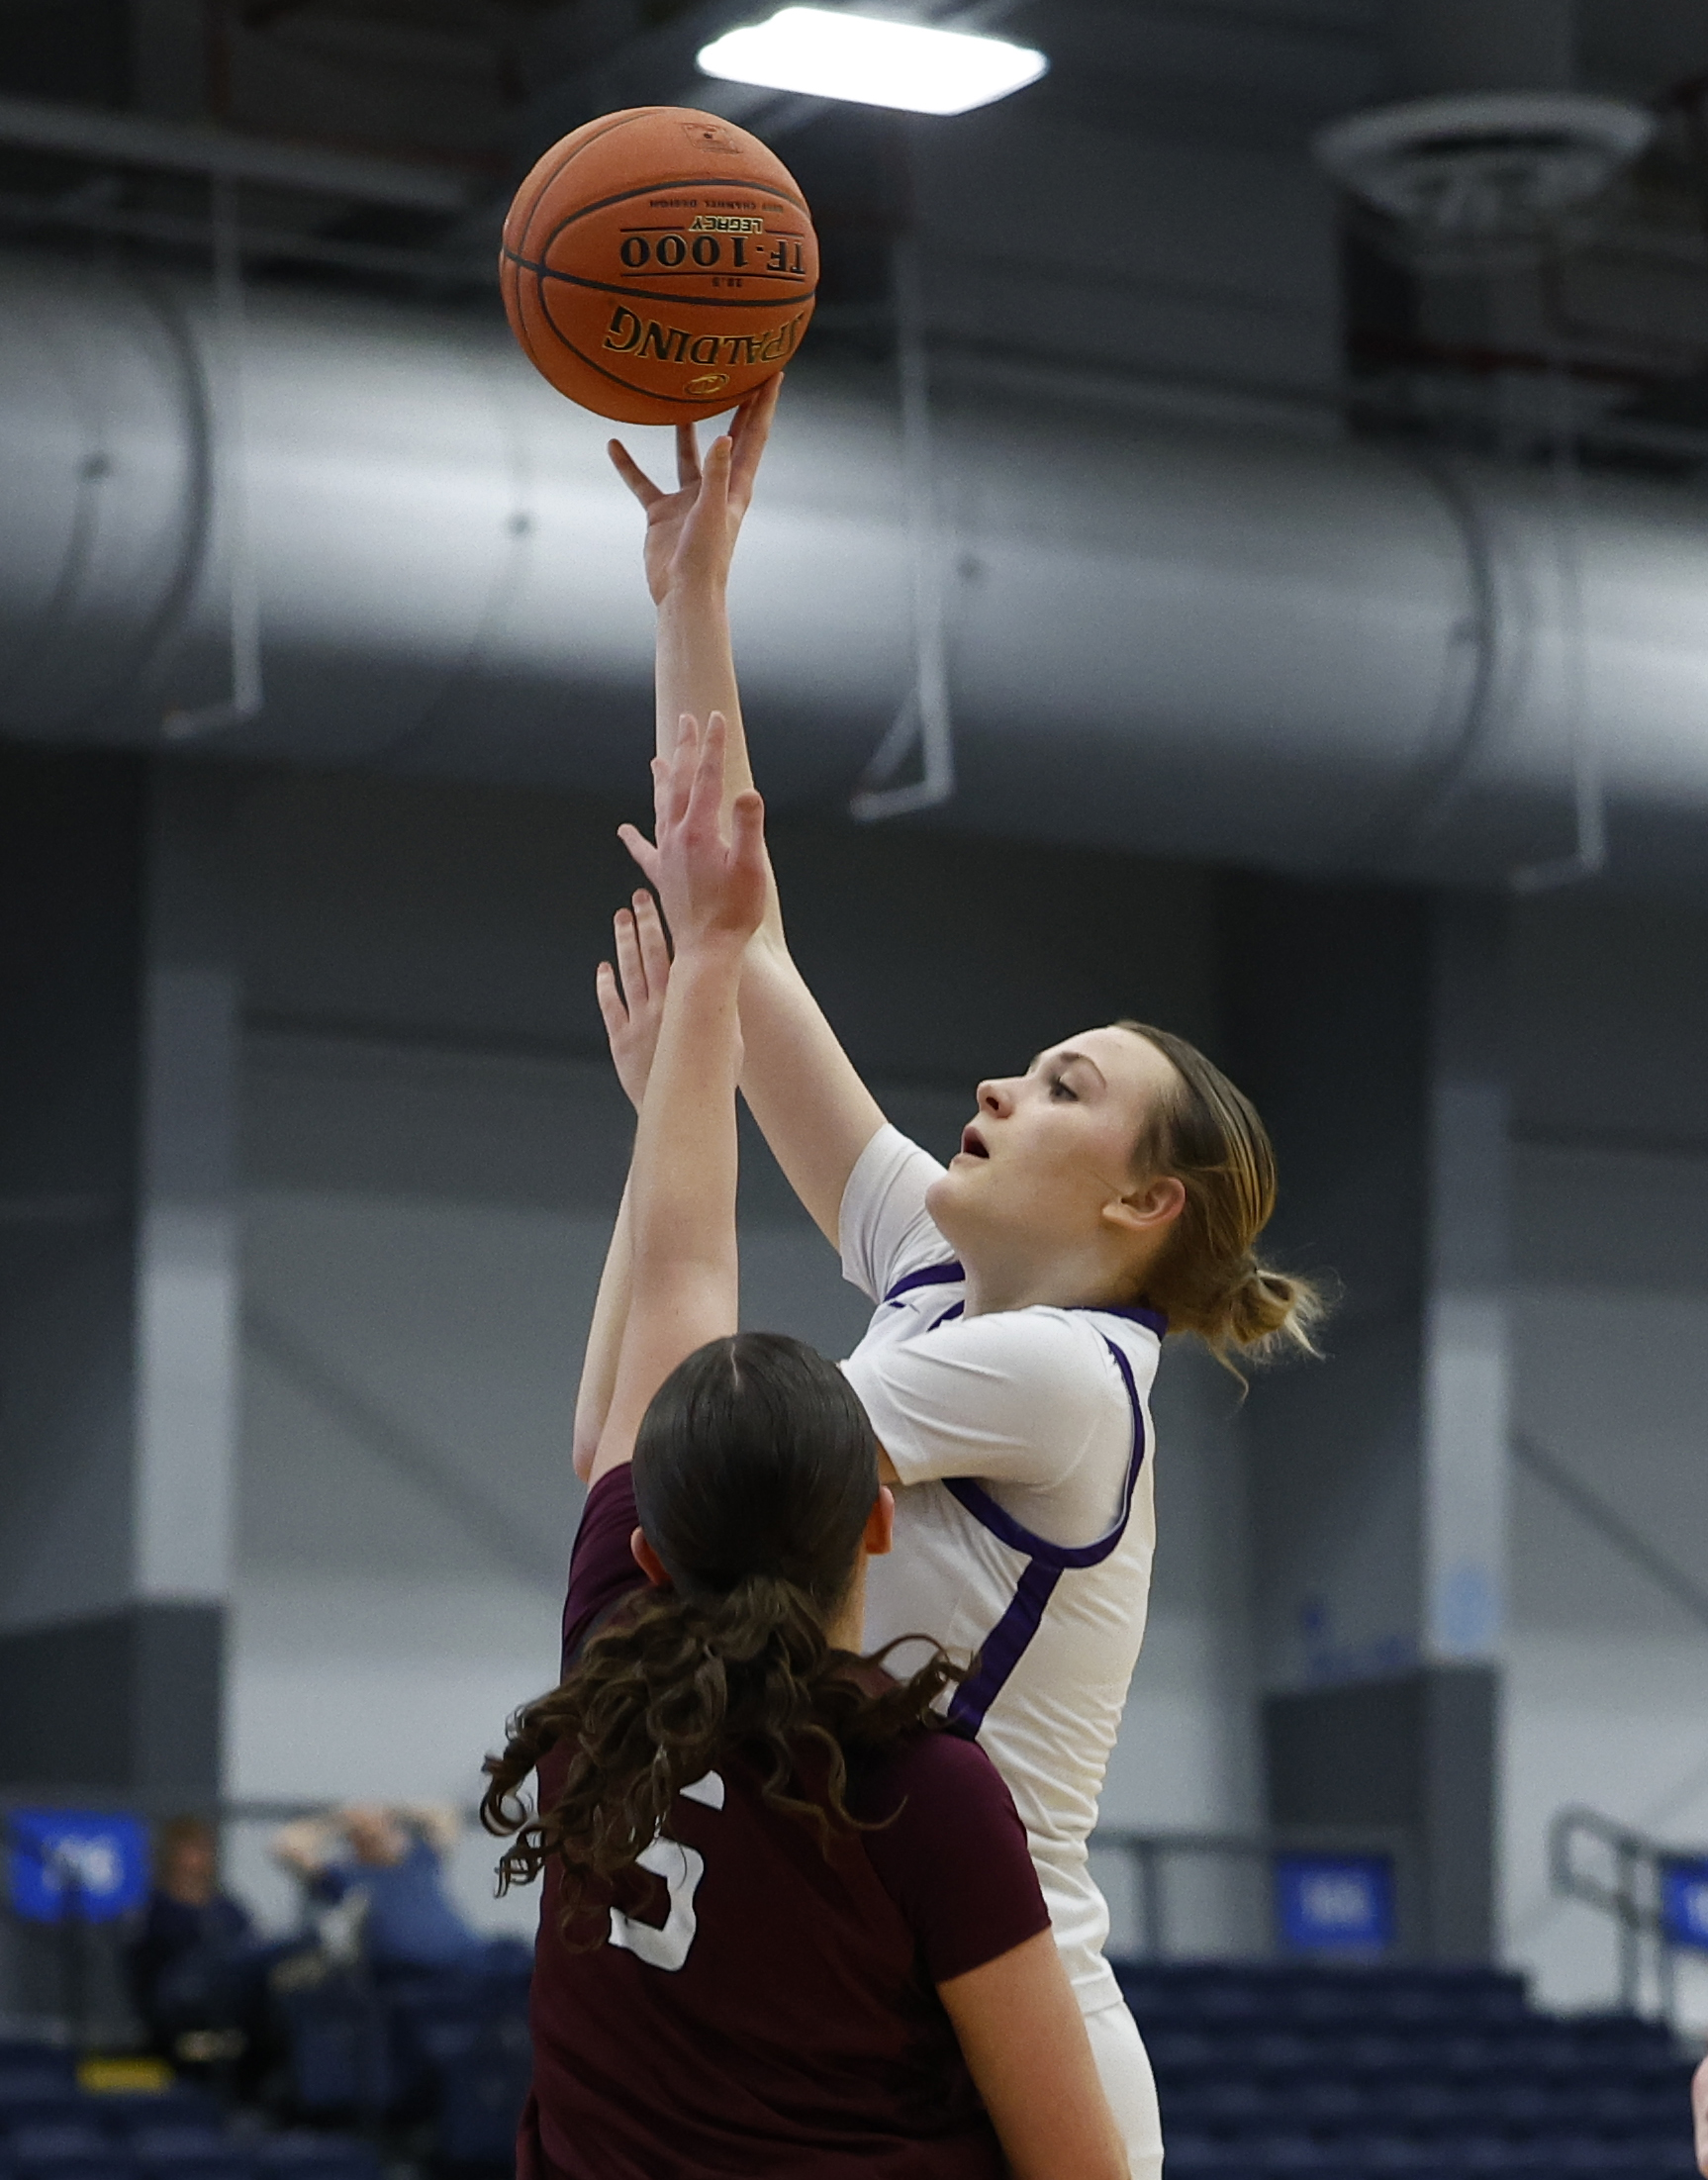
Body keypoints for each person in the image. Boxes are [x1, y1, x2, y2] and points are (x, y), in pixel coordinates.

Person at [598, 381, 1324, 2179]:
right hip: (883, 1960)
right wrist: (693, 595)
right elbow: (744, 937)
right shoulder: (951, 1271)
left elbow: (702, 1452)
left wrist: (689, 1052)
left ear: (1147, 1199)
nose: (998, 1087)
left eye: (1065, 1084)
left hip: (1008, 2025)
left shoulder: (1075, 1375)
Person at [485, 715, 1127, 2179]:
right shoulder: (921, 1791)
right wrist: (709, 973)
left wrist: (691, 1042)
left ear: (648, 1541)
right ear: (878, 1522)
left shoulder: (606, 1670)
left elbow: (671, 1290)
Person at [271, 1804, 481, 1973]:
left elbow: (445, 1817)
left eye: (385, 1832)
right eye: (368, 1837)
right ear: (356, 1843)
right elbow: (286, 1846)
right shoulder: (344, 1876)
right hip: (407, 1972)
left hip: (469, 1960)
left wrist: (392, 1812)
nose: (381, 1840)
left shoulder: (421, 1860)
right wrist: (340, 1821)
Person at [128, 1815, 266, 2071]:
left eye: (203, 1850)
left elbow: (251, 1953)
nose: (196, 1859)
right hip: (175, 2022)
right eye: (188, 1850)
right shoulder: (154, 1913)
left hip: (232, 2019)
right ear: (170, 1857)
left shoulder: (229, 1911)